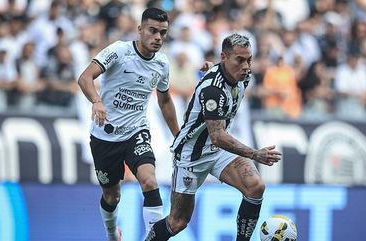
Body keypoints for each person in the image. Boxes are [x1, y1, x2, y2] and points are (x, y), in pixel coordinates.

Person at [144, 33, 282, 241]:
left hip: (218, 151)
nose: (246, 66)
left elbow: (217, 140)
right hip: (193, 155)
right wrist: (255, 154)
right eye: (240, 60)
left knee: (255, 186)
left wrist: (215, 66)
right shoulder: (213, 90)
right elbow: (217, 136)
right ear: (225, 57)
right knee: (178, 222)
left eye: (249, 59)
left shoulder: (242, 75)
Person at [78, 8, 178, 241]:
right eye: (153, 31)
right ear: (140, 29)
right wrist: (96, 101)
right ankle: (112, 235)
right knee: (112, 196)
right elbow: (85, 77)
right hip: (105, 135)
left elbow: (165, 101)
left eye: (163, 33)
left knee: (150, 181)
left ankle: (153, 237)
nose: (158, 38)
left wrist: (178, 135)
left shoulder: (162, 64)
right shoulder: (119, 51)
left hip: (136, 131)